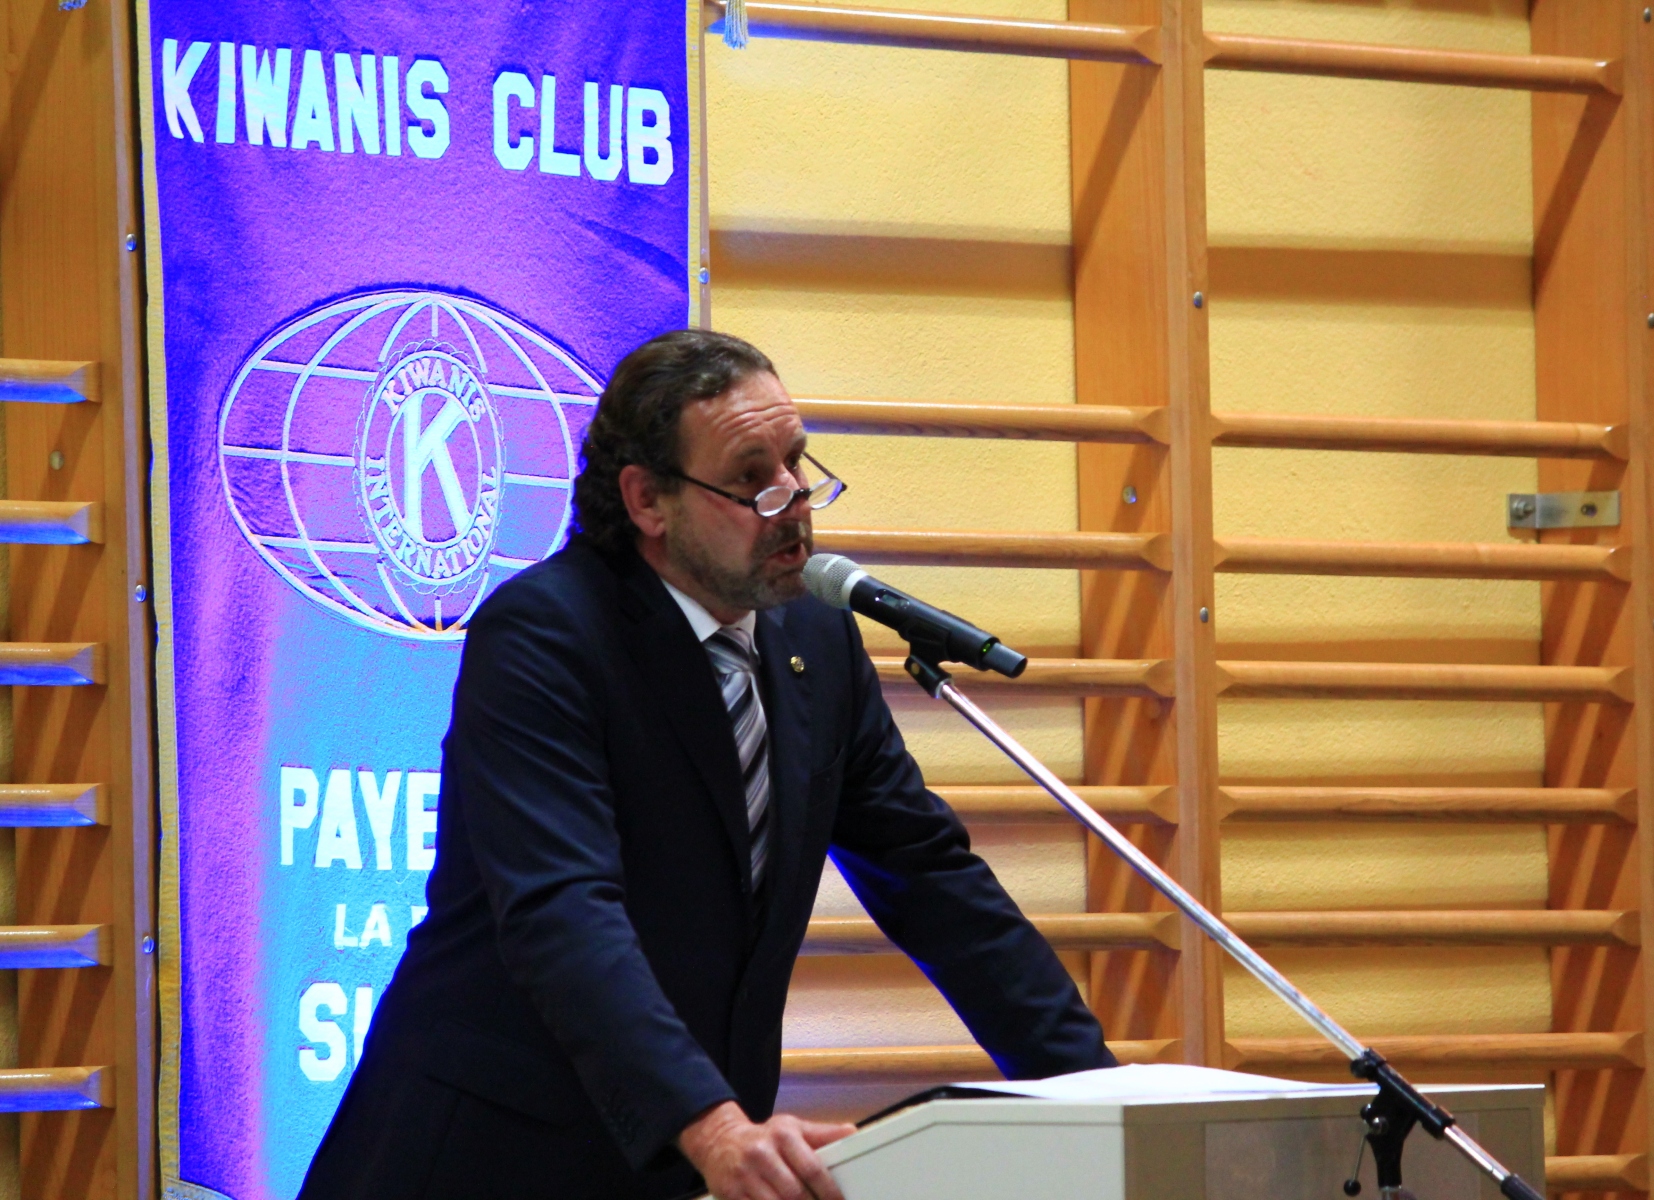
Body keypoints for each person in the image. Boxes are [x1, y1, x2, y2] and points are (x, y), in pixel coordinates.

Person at [298, 329, 1115, 1200]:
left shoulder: (815, 638)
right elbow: (564, 911)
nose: (793, 501)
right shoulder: (547, 635)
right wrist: (710, 1123)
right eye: (752, 478)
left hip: (686, 1157)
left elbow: (933, 879)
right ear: (648, 500)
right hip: (491, 1154)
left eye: (796, 461)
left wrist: (1101, 1099)